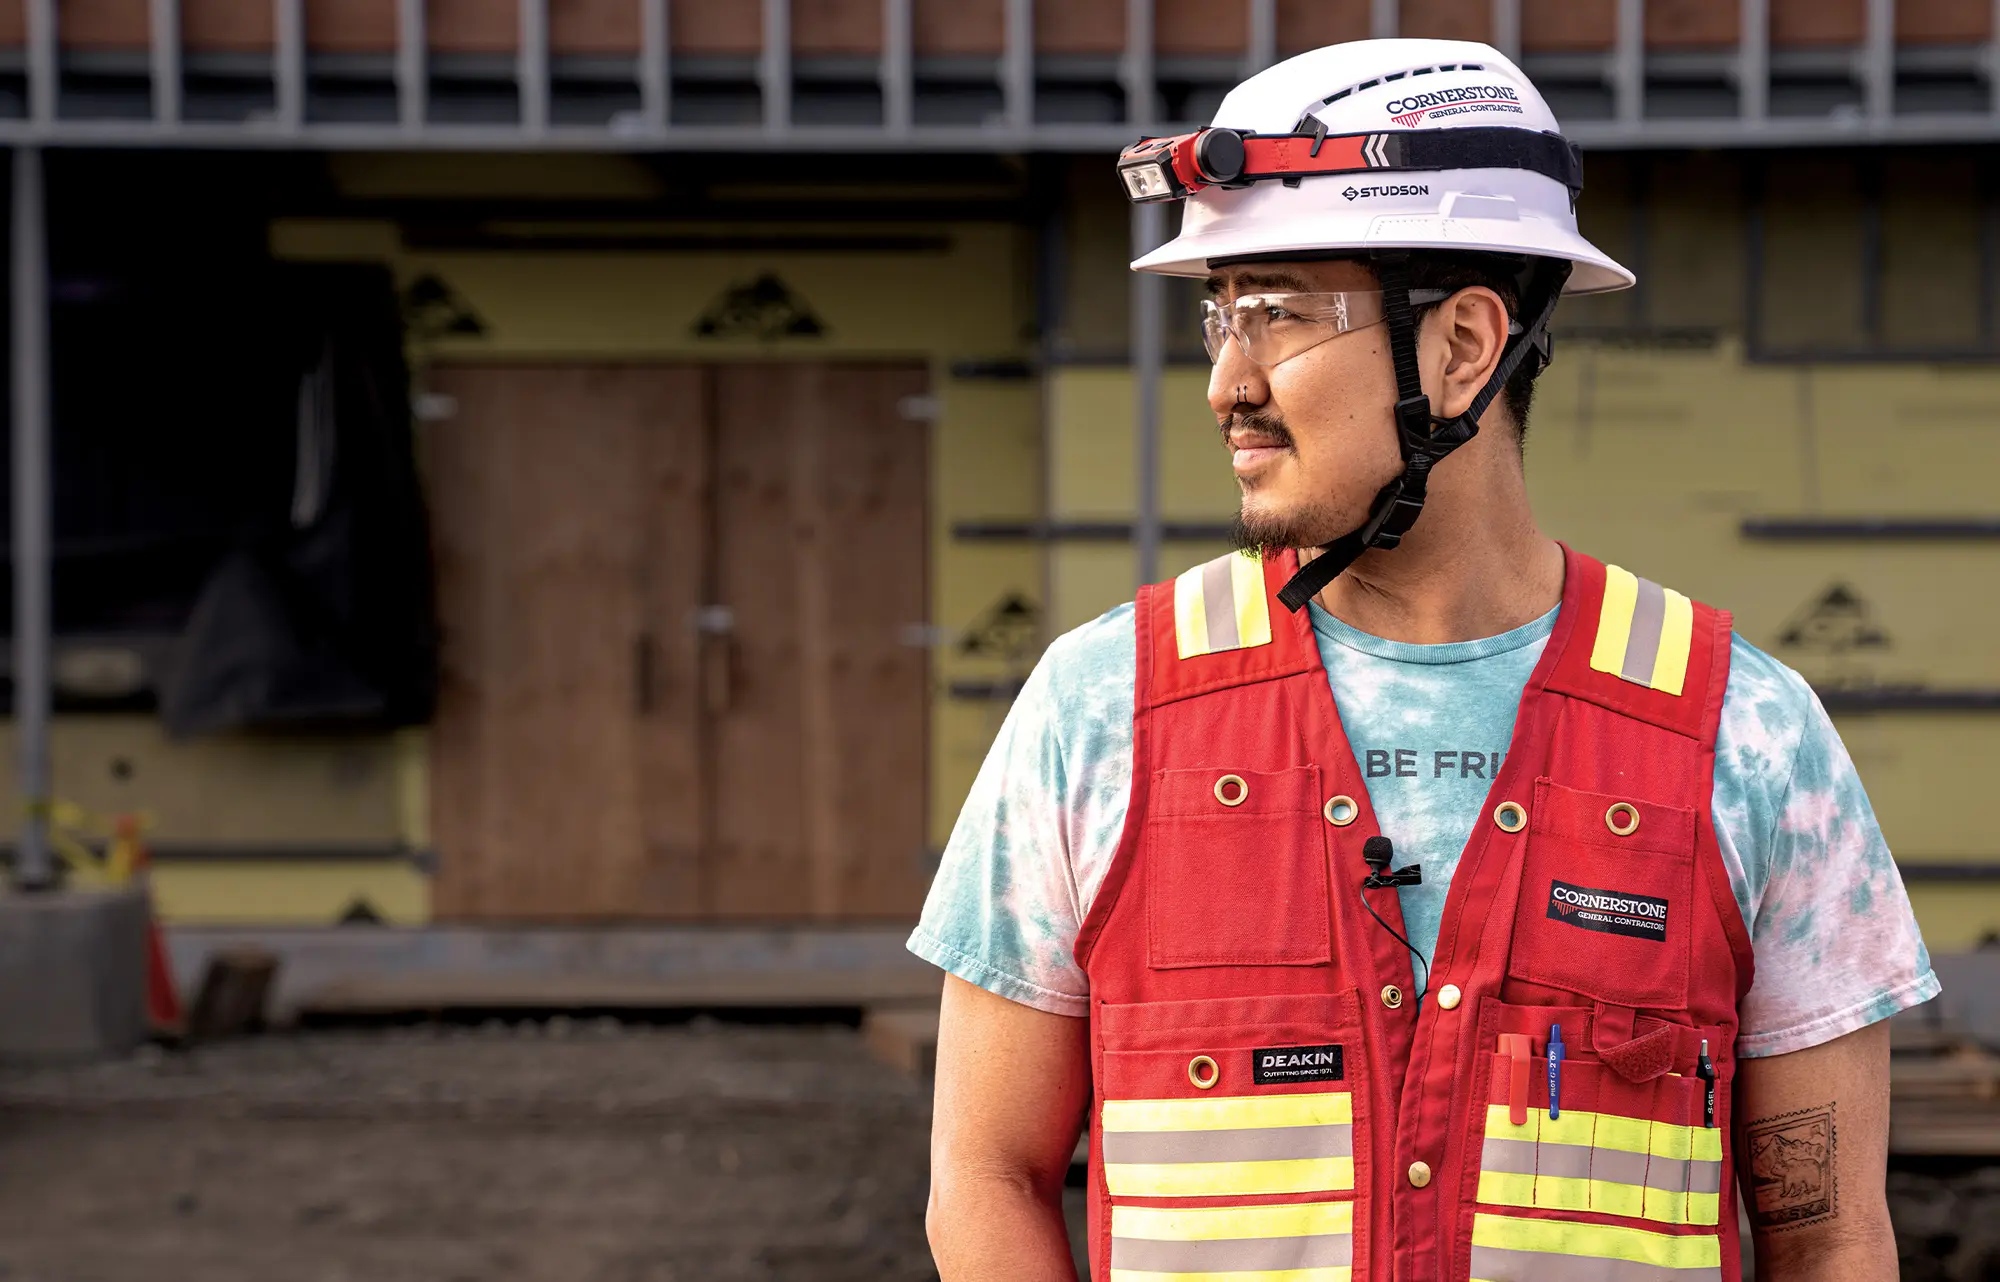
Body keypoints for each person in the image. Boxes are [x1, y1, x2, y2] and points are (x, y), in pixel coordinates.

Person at [913, 36, 1936, 1282]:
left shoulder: (1745, 734)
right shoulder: (1099, 709)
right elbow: (983, 1180)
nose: (1225, 381)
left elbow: (1828, 1236)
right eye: (1215, 315)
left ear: (1460, 346)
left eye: (1276, 312)